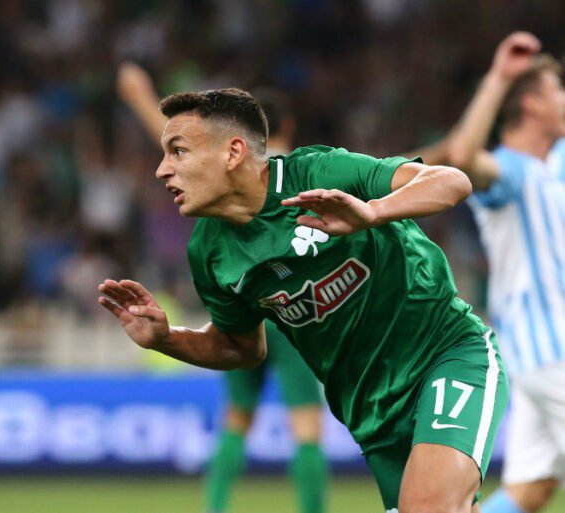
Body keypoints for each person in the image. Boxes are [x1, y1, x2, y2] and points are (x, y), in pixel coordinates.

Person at [98, 86, 508, 513]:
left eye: (178, 151)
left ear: (233, 152)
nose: (162, 170)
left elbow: (451, 181)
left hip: (445, 355)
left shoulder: (316, 174)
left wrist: (373, 212)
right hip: (371, 412)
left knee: (430, 507)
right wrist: (167, 339)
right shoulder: (210, 252)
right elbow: (241, 347)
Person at [117, 62, 328, 513]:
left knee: (236, 421)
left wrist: (140, 96)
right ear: (287, 126)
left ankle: (214, 508)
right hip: (291, 308)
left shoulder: (224, 165)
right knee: (306, 426)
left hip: (242, 301)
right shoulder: (298, 168)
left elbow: (181, 148)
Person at [447, 32, 565, 513]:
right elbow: (462, 157)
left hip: (535, 357)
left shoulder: (552, 165)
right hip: (552, 351)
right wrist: (499, 78)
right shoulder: (510, 172)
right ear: (533, 104)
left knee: (531, 489)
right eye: (559, 89)